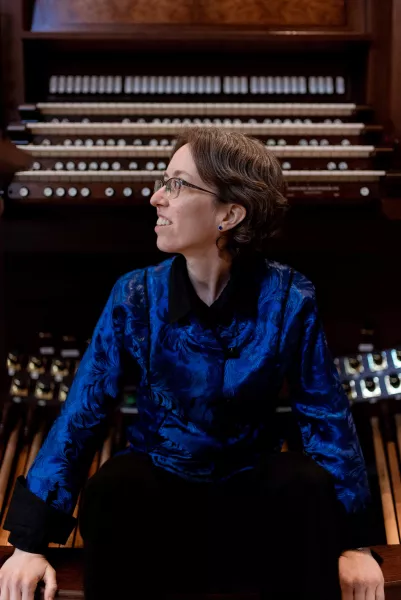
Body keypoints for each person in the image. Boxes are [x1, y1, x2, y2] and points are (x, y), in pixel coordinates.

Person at [0, 127, 384, 600]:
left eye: (177, 184)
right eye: (164, 181)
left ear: (229, 213)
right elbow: (83, 413)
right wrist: (29, 544)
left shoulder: (290, 296)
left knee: (303, 486)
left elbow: (325, 416)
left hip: (254, 481)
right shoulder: (135, 294)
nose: (156, 197)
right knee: (113, 488)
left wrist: (355, 546)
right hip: (158, 483)